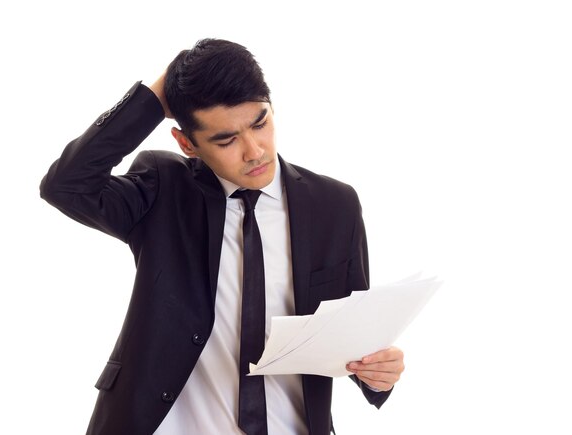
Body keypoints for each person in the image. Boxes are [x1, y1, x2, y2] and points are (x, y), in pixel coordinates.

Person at [40, 38, 405, 435]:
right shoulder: (163, 189)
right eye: (226, 139)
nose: (254, 151)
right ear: (186, 143)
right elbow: (66, 186)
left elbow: (352, 335)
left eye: (260, 123)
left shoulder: (334, 205)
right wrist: (154, 98)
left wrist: (377, 372)